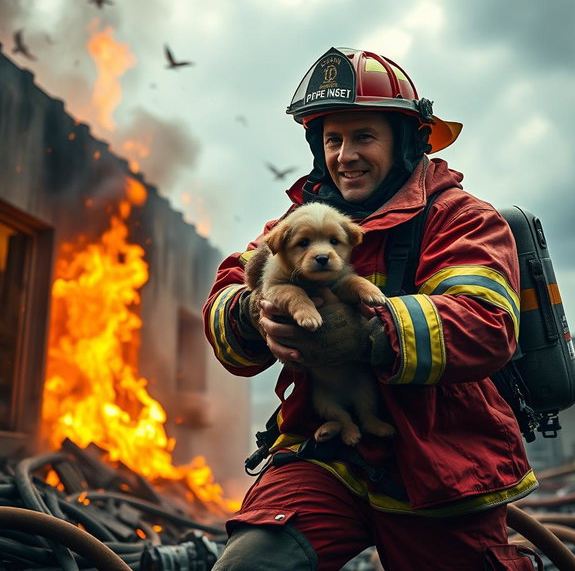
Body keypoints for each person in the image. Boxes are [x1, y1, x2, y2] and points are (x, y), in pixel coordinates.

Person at [204, 47, 537, 570]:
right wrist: (250, 313)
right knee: (251, 564)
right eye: (333, 139)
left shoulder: (463, 220)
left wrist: (368, 333)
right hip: (326, 453)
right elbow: (227, 295)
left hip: (440, 463)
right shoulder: (299, 225)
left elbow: (486, 323)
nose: (345, 155)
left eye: (364, 136)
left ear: (405, 142)